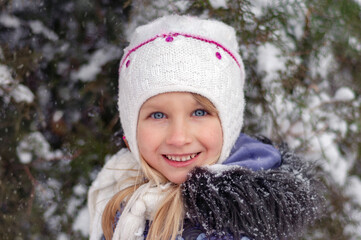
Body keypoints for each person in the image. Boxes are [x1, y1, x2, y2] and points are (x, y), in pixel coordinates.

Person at [88, 15, 323, 240]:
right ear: (131, 127)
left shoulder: (231, 225)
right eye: (158, 115)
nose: (178, 138)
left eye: (199, 112)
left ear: (229, 124)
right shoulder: (122, 187)